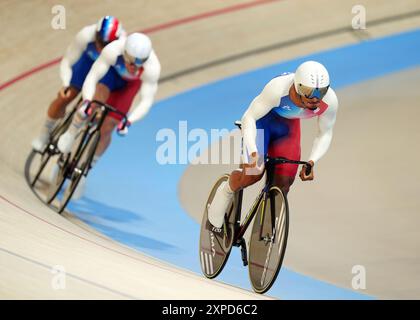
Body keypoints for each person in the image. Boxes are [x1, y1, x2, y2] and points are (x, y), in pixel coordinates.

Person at [208, 60, 338, 228]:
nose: (315, 98)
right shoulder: (277, 89)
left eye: (321, 92)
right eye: (308, 91)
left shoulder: (330, 101)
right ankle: (226, 190)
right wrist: (253, 151)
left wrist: (312, 161)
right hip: (262, 124)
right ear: (297, 87)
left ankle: (265, 232)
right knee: (253, 174)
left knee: (284, 182)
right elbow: (249, 117)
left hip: (287, 129)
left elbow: (325, 133)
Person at [56, 32, 161, 198]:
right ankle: (70, 133)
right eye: (132, 62)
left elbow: (146, 101)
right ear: (125, 53)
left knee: (108, 126)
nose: (134, 67)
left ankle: (85, 171)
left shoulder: (152, 67)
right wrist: (87, 101)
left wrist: (129, 121)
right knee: (94, 104)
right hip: (110, 76)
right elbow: (92, 78)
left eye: (140, 63)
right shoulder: (113, 50)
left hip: (129, 87)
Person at [32, 16, 125, 151]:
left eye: (106, 45)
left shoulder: (123, 46)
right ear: (96, 35)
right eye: (99, 41)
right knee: (66, 96)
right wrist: (65, 83)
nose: (101, 47)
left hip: (107, 69)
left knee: (96, 103)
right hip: (88, 61)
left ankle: (75, 131)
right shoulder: (85, 35)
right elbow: (67, 61)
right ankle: (44, 134)